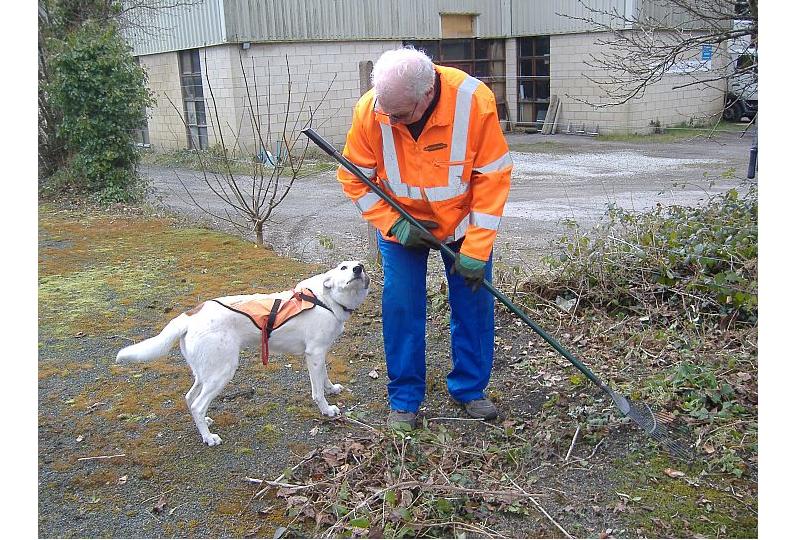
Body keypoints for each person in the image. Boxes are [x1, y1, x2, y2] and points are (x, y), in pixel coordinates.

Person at [336, 47, 512, 428]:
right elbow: (354, 176)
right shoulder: (373, 111)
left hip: (464, 228)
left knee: (473, 304)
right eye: (387, 112)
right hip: (402, 228)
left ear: (427, 93)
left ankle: (469, 389)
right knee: (401, 308)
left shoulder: (474, 101)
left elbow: (492, 177)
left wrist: (478, 249)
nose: (392, 120)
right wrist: (394, 223)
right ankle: (404, 398)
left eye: (400, 115)